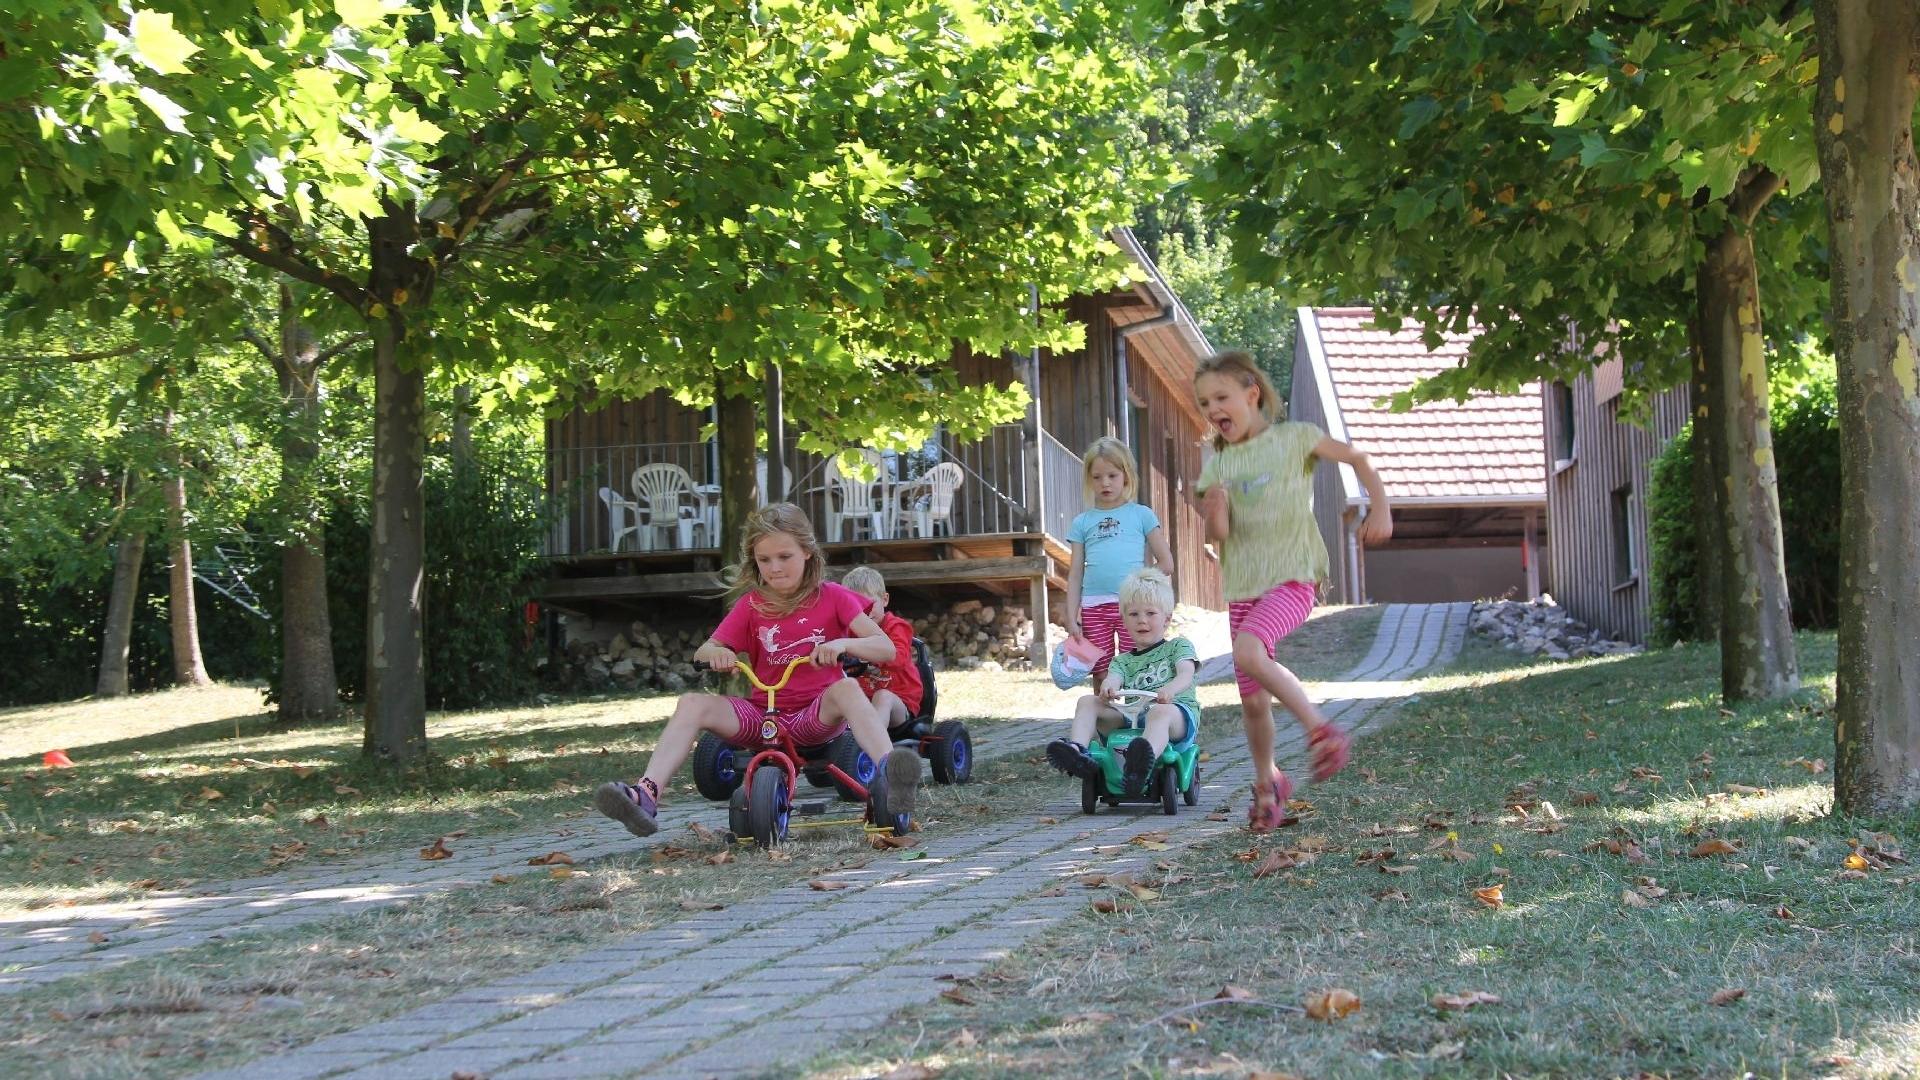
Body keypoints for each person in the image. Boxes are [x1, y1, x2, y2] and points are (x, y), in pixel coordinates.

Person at [592, 503, 921, 837]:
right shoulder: (752, 605)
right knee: (692, 703)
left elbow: (885, 647)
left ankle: (892, 776)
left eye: (784, 557)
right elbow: (706, 649)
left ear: (807, 552)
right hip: (764, 717)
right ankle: (646, 794)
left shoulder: (834, 597)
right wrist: (719, 654)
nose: (774, 568)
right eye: (764, 561)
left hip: (814, 717)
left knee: (848, 689)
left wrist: (843, 645)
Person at [1192, 349, 1392, 832]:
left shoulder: (1295, 438)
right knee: (1252, 698)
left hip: (1293, 576)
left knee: (1248, 651)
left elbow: (1358, 458)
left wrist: (1380, 506)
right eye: (1203, 404)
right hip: (1243, 585)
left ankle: (1321, 731)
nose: (1212, 409)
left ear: (1251, 394)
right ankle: (1269, 783)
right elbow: (1217, 534)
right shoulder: (1216, 465)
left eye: (1221, 396)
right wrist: (1215, 508)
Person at [1046, 567, 1199, 796]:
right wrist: (1109, 688)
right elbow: (1113, 678)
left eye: (1150, 613)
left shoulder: (1178, 647)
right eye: (1134, 614)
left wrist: (1170, 689)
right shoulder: (1122, 661)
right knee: (1087, 701)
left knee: (1159, 712)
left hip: (1174, 716)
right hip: (1133, 718)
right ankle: (1078, 753)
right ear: (1124, 621)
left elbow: (1186, 673)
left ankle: (1140, 766)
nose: (1142, 621)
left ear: (1167, 619)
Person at [1064, 436, 1174, 686]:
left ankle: (1133, 719)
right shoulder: (1081, 522)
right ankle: (1104, 722)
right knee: (1101, 673)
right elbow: (1075, 574)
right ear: (1088, 479)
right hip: (1093, 608)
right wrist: (1072, 616)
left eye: (1112, 475)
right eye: (1097, 477)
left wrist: (1137, 585)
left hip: (1133, 607)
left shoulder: (1142, 515)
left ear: (1126, 475)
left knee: (1133, 668)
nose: (1105, 483)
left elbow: (1166, 563)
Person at [840, 565, 924, 729]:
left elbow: (897, 657)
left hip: (899, 701)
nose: (864, 611)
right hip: (862, 700)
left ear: (885, 599)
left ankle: (874, 748)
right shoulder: (849, 630)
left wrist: (865, 655)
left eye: (869, 603)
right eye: (855, 606)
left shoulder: (896, 627)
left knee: (883, 697)